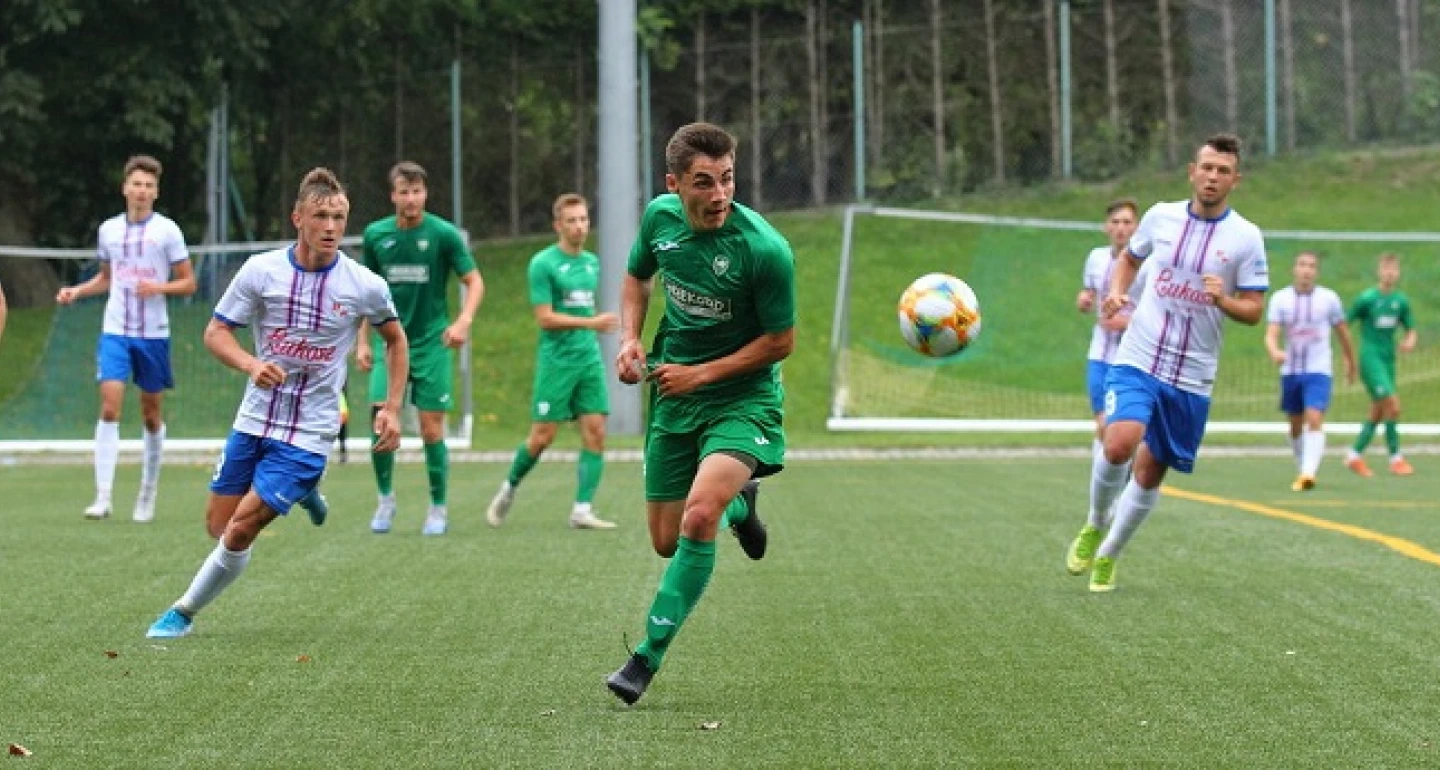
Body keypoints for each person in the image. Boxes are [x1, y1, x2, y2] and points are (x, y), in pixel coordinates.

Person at [145, 168, 407, 639]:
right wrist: (251, 364)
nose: (331, 226)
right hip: (255, 418)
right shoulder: (261, 271)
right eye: (321, 216)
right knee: (218, 525)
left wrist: (391, 407)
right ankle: (305, 493)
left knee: (241, 529)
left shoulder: (363, 284)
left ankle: (181, 613)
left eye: (339, 217)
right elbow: (216, 332)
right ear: (297, 218)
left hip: (311, 431)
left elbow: (395, 340)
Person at [604, 123, 795, 706]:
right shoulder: (659, 221)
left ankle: (645, 658)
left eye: (728, 179)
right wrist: (630, 339)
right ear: (674, 184)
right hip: (676, 394)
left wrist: (704, 373)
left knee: (698, 516)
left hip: (743, 398)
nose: (720, 195)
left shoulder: (765, 250)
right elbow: (637, 276)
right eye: (705, 182)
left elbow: (781, 342)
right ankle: (742, 503)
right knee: (667, 541)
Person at [1064, 133, 1268, 593]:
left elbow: (1254, 310)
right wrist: (1117, 291)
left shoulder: (1247, 238)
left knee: (1151, 470)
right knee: (1119, 442)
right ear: (1192, 172)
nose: (1212, 177)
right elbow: (1129, 260)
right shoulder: (1161, 216)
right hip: (1139, 355)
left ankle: (1110, 554)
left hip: (1193, 374)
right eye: (1207, 168)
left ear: (1235, 180)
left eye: (1223, 171)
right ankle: (1095, 521)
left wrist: (1224, 300)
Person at [56, 155, 196, 523]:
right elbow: (107, 278)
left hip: (153, 334)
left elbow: (188, 282)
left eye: (149, 186)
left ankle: (147, 492)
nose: (142, 191)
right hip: (115, 330)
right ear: (125, 188)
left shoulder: (167, 231)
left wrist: (159, 287)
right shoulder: (109, 231)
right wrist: (77, 291)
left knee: (151, 415)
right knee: (109, 407)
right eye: (136, 184)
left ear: (156, 192)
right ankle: (102, 497)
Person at [357, 161, 485, 536]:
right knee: (380, 418)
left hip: (431, 343)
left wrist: (463, 321)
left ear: (425, 194)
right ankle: (385, 499)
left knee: (431, 429)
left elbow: (475, 282)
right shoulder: (376, 235)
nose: (411, 199)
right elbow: (367, 293)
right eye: (404, 192)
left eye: (417, 191)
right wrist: (362, 340)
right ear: (393, 195)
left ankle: (438, 507)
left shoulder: (443, 234)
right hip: (388, 342)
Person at [486, 193, 620, 530]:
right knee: (542, 437)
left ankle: (582, 509)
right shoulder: (543, 264)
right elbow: (545, 318)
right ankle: (509, 486)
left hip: (588, 358)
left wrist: (593, 328)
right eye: (571, 221)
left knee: (596, 431)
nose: (579, 227)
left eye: (583, 219)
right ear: (558, 225)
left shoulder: (592, 263)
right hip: (556, 361)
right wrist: (592, 323)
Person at [1263, 251, 1357, 491]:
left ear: (1317, 272)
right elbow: (1271, 334)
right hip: (1291, 371)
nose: (1306, 270)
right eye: (1302, 265)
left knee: (1314, 417)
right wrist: (1274, 351)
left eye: (1312, 266)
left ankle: (1308, 472)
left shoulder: (1329, 299)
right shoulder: (1280, 299)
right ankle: (1302, 465)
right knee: (1295, 425)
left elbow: (1342, 332)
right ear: (1294, 269)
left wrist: (1350, 360)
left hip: (1319, 369)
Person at [1344, 252, 1418, 477]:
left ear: (1398, 273)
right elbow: (1344, 325)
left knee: (1378, 411)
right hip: (1370, 358)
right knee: (1393, 406)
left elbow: (1411, 329)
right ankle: (1396, 459)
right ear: (1379, 272)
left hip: (1388, 361)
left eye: (1393, 269)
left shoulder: (1400, 301)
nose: (1389, 273)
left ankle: (1354, 455)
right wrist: (1348, 358)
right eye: (1386, 269)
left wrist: (1409, 341)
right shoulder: (1367, 299)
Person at [1077, 198, 1139, 454]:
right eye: (1115, 222)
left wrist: (1125, 322)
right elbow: (1089, 291)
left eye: (1127, 222)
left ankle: (1125, 475)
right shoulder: (1096, 257)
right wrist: (1084, 299)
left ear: (1137, 227)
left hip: (1133, 359)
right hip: (1100, 355)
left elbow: (1157, 312)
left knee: (1123, 429)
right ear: (1106, 227)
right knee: (1103, 423)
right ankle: (1103, 476)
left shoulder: (1148, 264)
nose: (1121, 228)